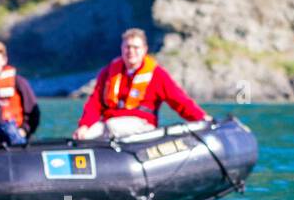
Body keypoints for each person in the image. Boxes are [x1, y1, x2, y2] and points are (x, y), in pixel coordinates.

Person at [74, 28, 210, 140]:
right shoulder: (108, 73)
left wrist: (202, 119)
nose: (131, 51)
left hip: (141, 126)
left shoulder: (157, 75)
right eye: (127, 47)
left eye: (136, 47)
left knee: (113, 126)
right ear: (121, 48)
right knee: (85, 136)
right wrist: (84, 125)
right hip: (109, 124)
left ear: (144, 49)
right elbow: (95, 104)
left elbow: (179, 101)